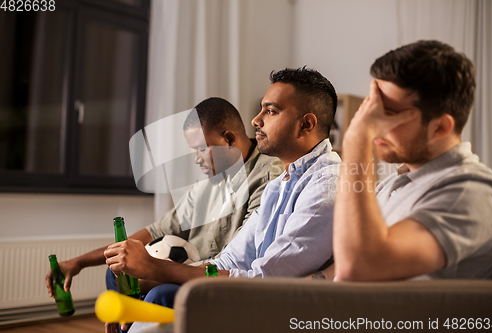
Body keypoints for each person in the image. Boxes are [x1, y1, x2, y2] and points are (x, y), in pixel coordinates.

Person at [102, 67, 340, 318]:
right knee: (155, 291)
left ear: (306, 124)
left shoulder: (325, 187)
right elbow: (229, 261)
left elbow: (266, 279)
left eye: (270, 111)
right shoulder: (280, 184)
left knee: (164, 296)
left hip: (281, 305)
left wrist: (154, 268)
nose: (255, 120)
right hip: (254, 290)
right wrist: (153, 272)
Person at [46, 97, 283, 297]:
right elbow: (157, 230)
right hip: (188, 271)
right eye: (193, 150)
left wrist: (155, 271)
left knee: (158, 293)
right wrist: (80, 262)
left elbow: (238, 258)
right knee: (116, 270)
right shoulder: (210, 181)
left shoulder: (267, 177)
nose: (196, 159)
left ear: (228, 140)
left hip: (221, 278)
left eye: (201, 148)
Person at [329, 40, 492, 282]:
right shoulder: (390, 184)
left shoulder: (472, 192)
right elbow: (344, 260)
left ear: (440, 127)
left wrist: (357, 140)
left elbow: (359, 268)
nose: (372, 125)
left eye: (386, 113)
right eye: (371, 108)